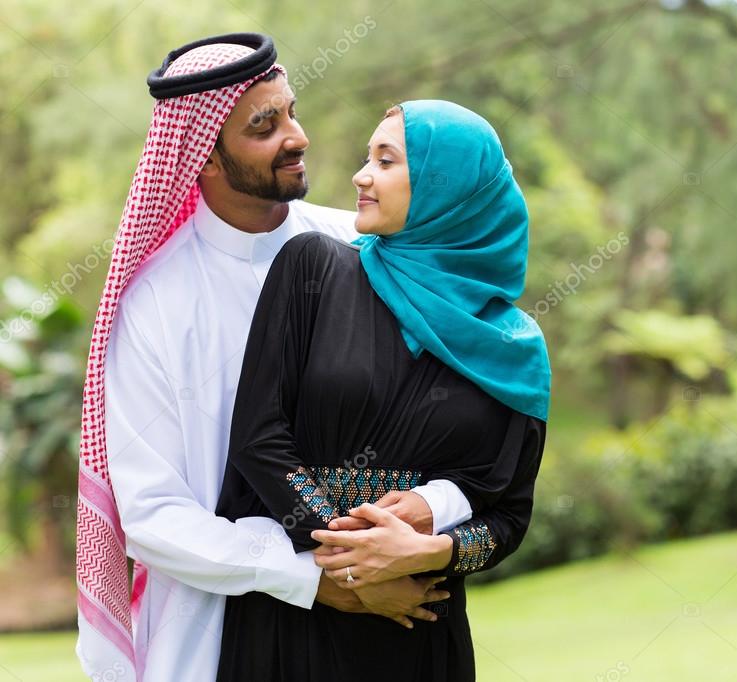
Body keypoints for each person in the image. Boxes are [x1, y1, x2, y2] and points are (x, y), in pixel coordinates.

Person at [76, 35, 470, 682]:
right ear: (200, 155)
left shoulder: (361, 248)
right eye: (265, 126)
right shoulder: (156, 304)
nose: (297, 135)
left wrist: (413, 532)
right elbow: (153, 516)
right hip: (215, 630)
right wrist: (315, 578)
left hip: (390, 618)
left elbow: (451, 425)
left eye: (290, 112)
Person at [214, 100, 550, 681]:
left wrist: (432, 552)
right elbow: (258, 438)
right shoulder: (314, 269)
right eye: (367, 156)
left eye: (386, 161)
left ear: (454, 191)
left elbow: (508, 516)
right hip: (294, 622)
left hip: (417, 627)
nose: (360, 175)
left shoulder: (511, 347)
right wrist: (352, 567)